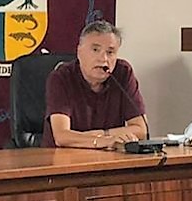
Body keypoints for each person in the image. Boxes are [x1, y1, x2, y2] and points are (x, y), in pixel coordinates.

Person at [43, 19, 149, 149]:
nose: (103, 58)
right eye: (95, 49)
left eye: (110, 52)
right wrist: (103, 141)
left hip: (109, 158)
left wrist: (103, 134)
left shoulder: (122, 73)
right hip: (62, 159)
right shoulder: (61, 78)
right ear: (79, 51)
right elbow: (62, 137)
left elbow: (141, 130)